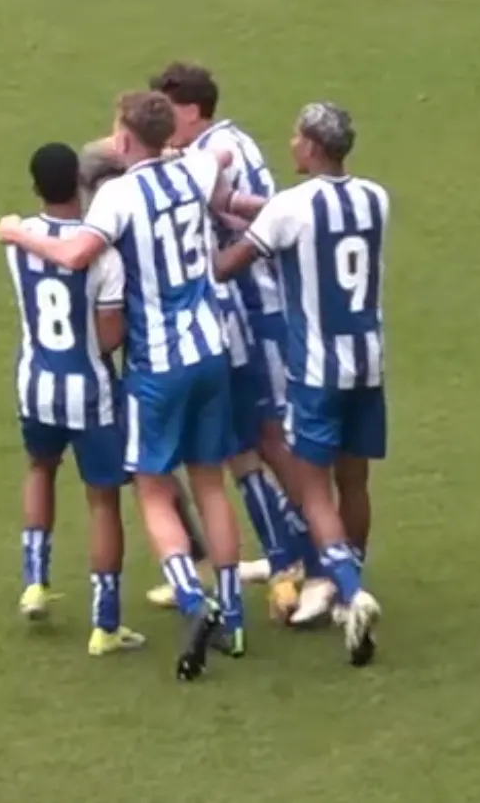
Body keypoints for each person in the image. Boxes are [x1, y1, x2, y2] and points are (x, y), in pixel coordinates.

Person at [0, 93, 265, 680]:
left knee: (151, 491)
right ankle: (236, 621)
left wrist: (19, 235)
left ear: (125, 139)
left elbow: (73, 253)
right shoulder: (194, 167)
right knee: (212, 485)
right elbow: (217, 158)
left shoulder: (118, 196)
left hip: (159, 364)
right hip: (211, 350)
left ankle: (194, 603)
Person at [148, 62, 325, 624]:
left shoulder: (219, 149)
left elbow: (264, 214)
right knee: (239, 442)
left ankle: (317, 557)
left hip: (255, 304)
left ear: (193, 110)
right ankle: (288, 554)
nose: (163, 124)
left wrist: (219, 202)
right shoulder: (210, 148)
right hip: (234, 311)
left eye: (167, 111)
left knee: (269, 438)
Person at [215, 102, 385, 666]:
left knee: (313, 487)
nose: (291, 143)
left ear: (311, 146)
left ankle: (349, 590)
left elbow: (231, 263)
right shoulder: (375, 198)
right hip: (369, 362)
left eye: (296, 136)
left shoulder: (291, 207)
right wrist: (236, 205)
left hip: (316, 368)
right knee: (355, 481)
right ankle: (346, 579)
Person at [5, 143, 144, 657]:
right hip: (90, 392)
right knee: (103, 500)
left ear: (35, 186)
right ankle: (104, 623)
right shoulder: (101, 254)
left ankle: (34, 581)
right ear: (83, 187)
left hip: (35, 385)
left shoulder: (18, 238)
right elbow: (108, 338)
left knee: (40, 470)